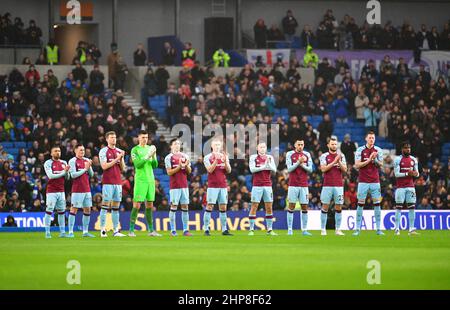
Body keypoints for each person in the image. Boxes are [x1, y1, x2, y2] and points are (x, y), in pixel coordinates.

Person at [128, 130, 161, 237]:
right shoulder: (135, 149)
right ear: (138, 138)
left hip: (150, 180)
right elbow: (137, 164)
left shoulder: (150, 148)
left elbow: (155, 165)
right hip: (140, 180)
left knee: (150, 205)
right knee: (137, 205)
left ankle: (151, 230)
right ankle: (131, 230)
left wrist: (154, 155)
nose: (145, 139)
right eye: (143, 137)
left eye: (146, 137)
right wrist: (148, 156)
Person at [353, 131, 384, 236]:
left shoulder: (378, 150)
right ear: (366, 139)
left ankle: (379, 229)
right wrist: (369, 160)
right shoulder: (360, 150)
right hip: (363, 181)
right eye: (370, 138)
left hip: (375, 181)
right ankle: (357, 229)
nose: (372, 139)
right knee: (360, 204)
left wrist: (375, 160)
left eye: (373, 138)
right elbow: (357, 165)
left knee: (377, 204)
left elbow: (381, 164)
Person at [99, 131, 126, 237]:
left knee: (116, 207)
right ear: (107, 139)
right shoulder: (103, 151)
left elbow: (123, 168)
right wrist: (117, 158)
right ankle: (103, 230)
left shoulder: (119, 151)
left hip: (118, 182)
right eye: (111, 137)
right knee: (105, 205)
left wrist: (122, 158)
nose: (114, 139)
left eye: (115, 137)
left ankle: (115, 231)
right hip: (108, 182)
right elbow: (104, 166)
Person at [203, 139, 233, 236]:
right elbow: (210, 170)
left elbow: (229, 171)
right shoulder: (207, 157)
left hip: (223, 185)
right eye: (215, 144)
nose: (217, 146)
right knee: (210, 206)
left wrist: (226, 162)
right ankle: (206, 229)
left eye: (218, 145)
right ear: (211, 146)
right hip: (212, 186)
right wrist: (216, 160)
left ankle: (224, 229)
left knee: (223, 207)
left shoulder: (224, 156)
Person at [164, 138, 192, 236]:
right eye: (175, 144)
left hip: (184, 185)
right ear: (171, 146)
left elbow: (189, 172)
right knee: (174, 206)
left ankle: (185, 230)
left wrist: (186, 166)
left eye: (178, 144)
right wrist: (179, 167)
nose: (177, 145)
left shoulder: (185, 156)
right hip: (174, 186)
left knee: (185, 206)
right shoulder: (168, 158)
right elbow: (169, 172)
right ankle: (173, 230)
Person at [319, 137, 347, 236]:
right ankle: (323, 229)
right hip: (327, 185)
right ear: (328, 145)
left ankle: (338, 229)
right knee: (325, 206)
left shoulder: (341, 156)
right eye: (332, 144)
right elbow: (323, 169)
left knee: (338, 207)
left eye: (335, 144)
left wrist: (338, 161)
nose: (334, 146)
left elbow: (345, 170)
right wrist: (334, 162)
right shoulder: (324, 156)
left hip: (339, 185)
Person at [248, 142, 277, 236]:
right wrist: (264, 166)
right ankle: (251, 229)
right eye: (261, 147)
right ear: (257, 148)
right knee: (254, 206)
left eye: (264, 147)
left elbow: (274, 169)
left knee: (269, 207)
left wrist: (268, 165)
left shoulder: (269, 157)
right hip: (257, 185)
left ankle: (269, 229)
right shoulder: (253, 157)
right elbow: (252, 169)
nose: (262, 148)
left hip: (267, 185)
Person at [285, 140, 313, 236]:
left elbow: (310, 169)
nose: (300, 146)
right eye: (299, 144)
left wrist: (301, 164)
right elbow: (289, 169)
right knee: (291, 206)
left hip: (304, 184)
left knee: (304, 207)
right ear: (295, 145)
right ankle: (289, 229)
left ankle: (304, 230)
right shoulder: (290, 154)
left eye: (302, 144)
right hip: (293, 184)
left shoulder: (307, 154)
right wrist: (298, 162)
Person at [67, 144, 95, 238]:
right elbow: (73, 175)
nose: (82, 152)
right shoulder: (72, 161)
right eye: (80, 150)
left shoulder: (86, 160)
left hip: (87, 189)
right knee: (74, 209)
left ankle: (85, 232)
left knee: (87, 209)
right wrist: (85, 169)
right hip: (77, 190)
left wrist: (89, 167)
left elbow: (91, 174)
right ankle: (70, 232)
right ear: (75, 151)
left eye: (83, 150)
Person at [393, 142, 420, 235]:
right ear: (402, 149)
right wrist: (407, 174)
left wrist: (416, 174)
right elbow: (396, 174)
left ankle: (411, 229)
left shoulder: (414, 160)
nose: (408, 149)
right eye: (406, 148)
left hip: (411, 187)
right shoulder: (397, 159)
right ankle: (397, 228)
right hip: (400, 187)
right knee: (399, 207)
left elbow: (417, 173)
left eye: (409, 148)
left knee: (412, 208)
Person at [43, 146, 69, 238]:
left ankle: (62, 232)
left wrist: (67, 173)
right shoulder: (48, 163)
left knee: (61, 211)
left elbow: (67, 177)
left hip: (61, 191)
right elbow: (51, 176)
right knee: (49, 210)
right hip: (51, 191)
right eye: (55, 151)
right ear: (51, 153)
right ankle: (47, 232)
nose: (58, 152)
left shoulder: (64, 162)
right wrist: (64, 172)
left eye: (59, 151)